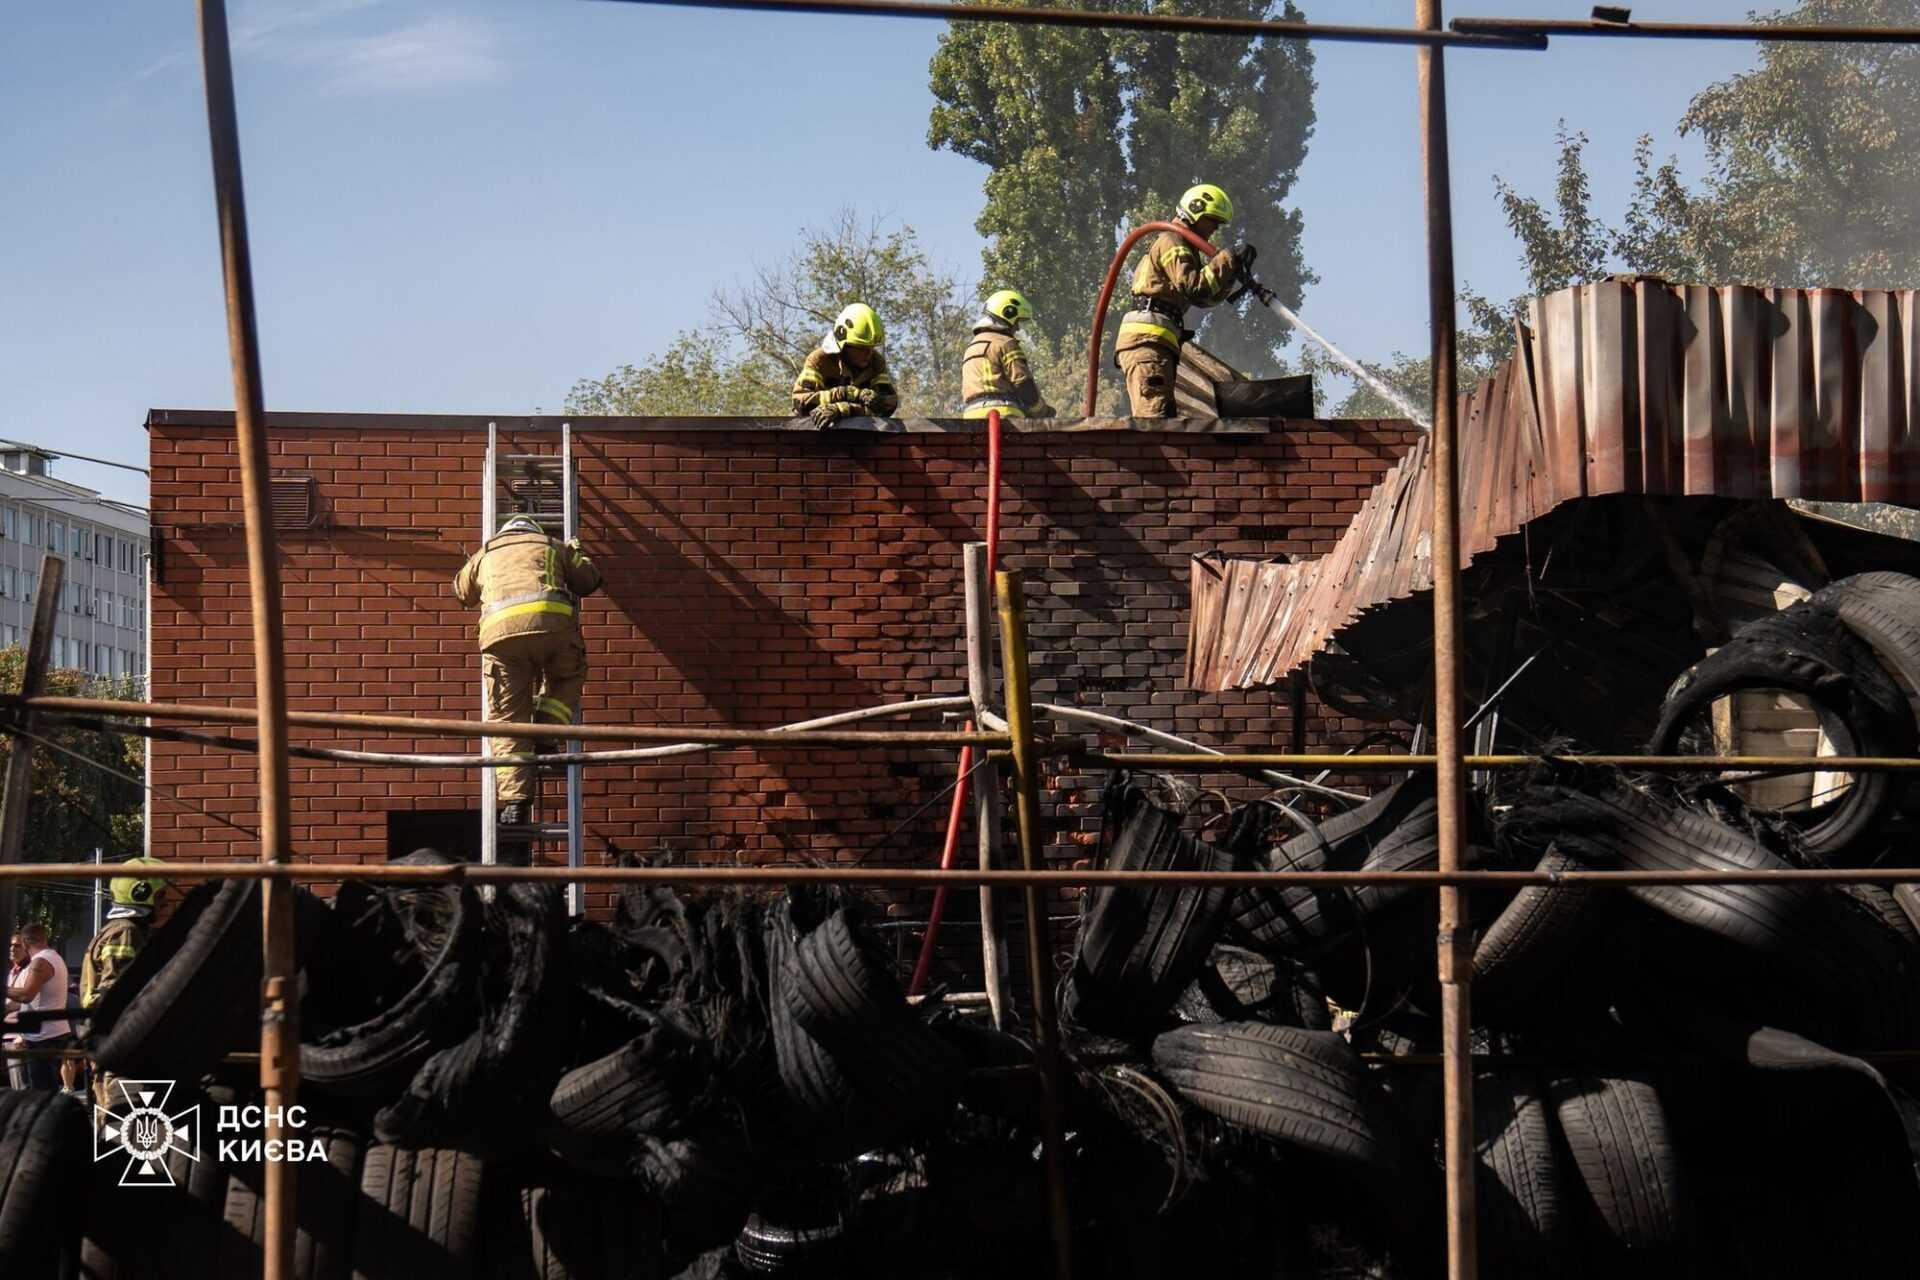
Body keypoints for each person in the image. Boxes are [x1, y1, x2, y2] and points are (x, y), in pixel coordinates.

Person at [453, 513, 604, 830]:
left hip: (502, 638)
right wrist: (577, 551)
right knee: (567, 676)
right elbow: (589, 582)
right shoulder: (553, 545)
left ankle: (516, 802)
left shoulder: (486, 553)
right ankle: (547, 733)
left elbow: (461, 593)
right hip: (552, 627)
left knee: (507, 720)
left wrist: (472, 564)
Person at [1115, 183, 1258, 418]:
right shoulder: (1173, 240)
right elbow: (1194, 287)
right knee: (1156, 420)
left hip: (1156, 343)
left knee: (1165, 418)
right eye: (1212, 220)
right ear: (1195, 212)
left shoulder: (1184, 248)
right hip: (1148, 342)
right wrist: (1227, 258)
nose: (1214, 229)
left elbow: (1205, 298)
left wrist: (1230, 271)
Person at [82, 857, 166, 1107]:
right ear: (142, 894)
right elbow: (116, 989)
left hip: (108, 1038)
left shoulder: (121, 929)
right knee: (120, 1114)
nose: (165, 903)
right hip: (116, 1039)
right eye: (161, 896)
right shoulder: (126, 932)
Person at [792, 303, 900, 427]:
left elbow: (886, 407)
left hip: (861, 437)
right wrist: (845, 393)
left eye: (871, 347)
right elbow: (800, 403)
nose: (869, 354)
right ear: (843, 345)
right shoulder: (820, 359)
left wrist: (843, 409)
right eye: (861, 348)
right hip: (817, 435)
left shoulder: (876, 362)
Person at [960, 289, 1056, 420]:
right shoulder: (1006, 343)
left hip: (971, 415)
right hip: (1003, 413)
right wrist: (1043, 412)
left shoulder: (971, 347)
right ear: (1007, 313)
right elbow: (1024, 385)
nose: (1017, 328)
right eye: (1017, 322)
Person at [4, 924, 71, 1091]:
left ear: (26, 942)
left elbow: (27, 995)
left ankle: (51, 1117)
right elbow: (23, 1001)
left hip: (44, 1036)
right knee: (45, 1089)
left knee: (42, 1092)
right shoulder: (54, 957)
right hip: (49, 1033)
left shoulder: (40, 961)